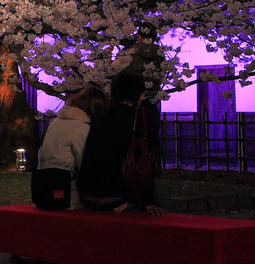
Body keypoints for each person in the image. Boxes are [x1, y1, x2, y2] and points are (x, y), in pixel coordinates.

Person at [77, 73, 167, 215]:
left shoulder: (98, 118)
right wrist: (148, 203)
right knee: (164, 200)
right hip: (118, 197)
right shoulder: (141, 120)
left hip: (88, 194)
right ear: (140, 94)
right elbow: (145, 160)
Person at [34, 86, 105, 209]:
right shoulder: (82, 127)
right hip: (68, 195)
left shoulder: (55, 122)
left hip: (43, 189)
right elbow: (86, 163)